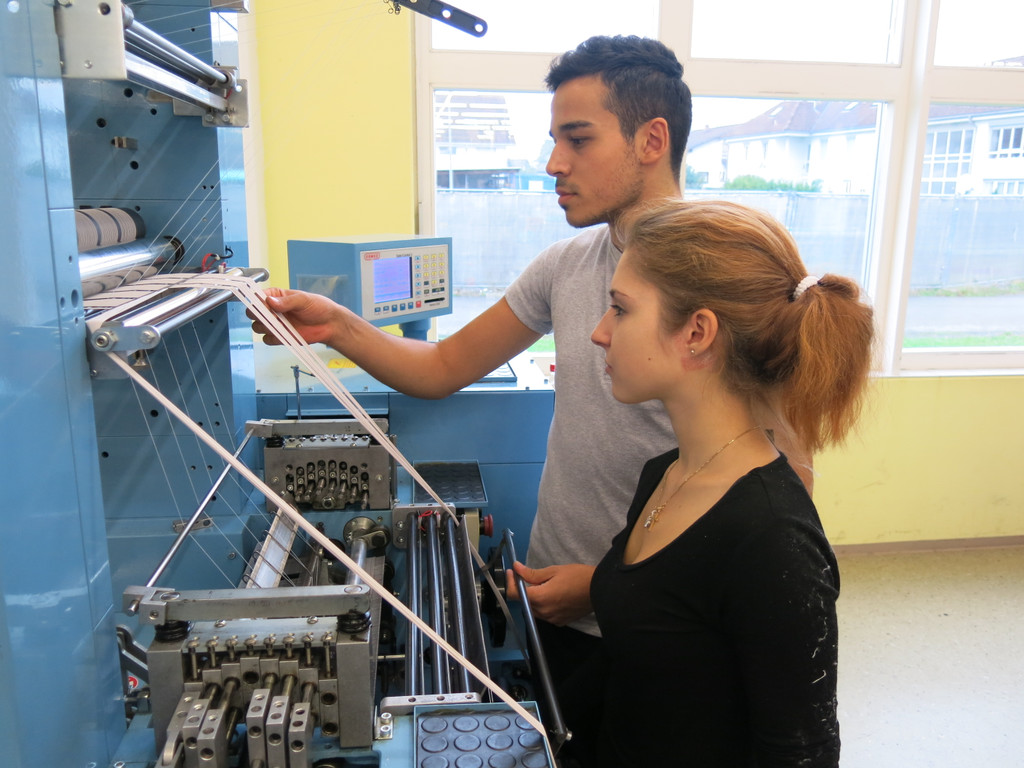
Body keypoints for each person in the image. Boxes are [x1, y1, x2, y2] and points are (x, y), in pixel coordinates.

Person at [252, 35, 807, 684]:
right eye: (554, 140)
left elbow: (782, 493)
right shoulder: (564, 267)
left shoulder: (725, 282)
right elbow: (442, 365)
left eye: (578, 139)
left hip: (661, 622)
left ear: (651, 140)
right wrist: (338, 326)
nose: (553, 164)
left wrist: (602, 587)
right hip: (553, 597)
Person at [563, 197, 873, 767]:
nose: (600, 333)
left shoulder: (772, 538)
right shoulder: (665, 472)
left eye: (621, 309)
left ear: (697, 332)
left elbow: (799, 753)